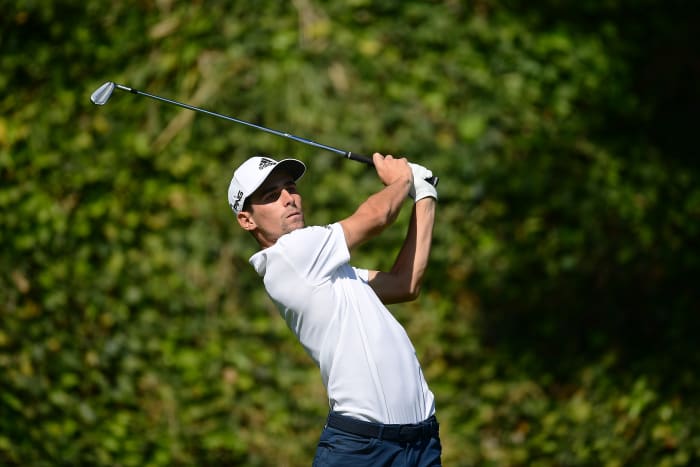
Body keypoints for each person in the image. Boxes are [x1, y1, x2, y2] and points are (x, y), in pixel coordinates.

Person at [227, 152, 441, 466]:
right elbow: (377, 216)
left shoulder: (327, 269)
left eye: (291, 188)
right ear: (247, 220)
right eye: (272, 196)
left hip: (421, 441)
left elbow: (403, 285)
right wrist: (401, 179)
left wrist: (424, 195)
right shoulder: (291, 255)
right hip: (362, 448)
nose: (289, 199)